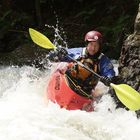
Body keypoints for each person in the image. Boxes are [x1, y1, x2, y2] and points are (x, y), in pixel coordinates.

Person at [49, 30, 116, 98]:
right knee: (63, 65)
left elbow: (110, 74)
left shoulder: (103, 61)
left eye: (96, 45)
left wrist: (108, 79)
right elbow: (51, 58)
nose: (93, 48)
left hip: (85, 92)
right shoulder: (77, 52)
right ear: (87, 44)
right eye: (91, 44)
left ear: (100, 47)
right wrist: (57, 54)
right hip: (68, 82)